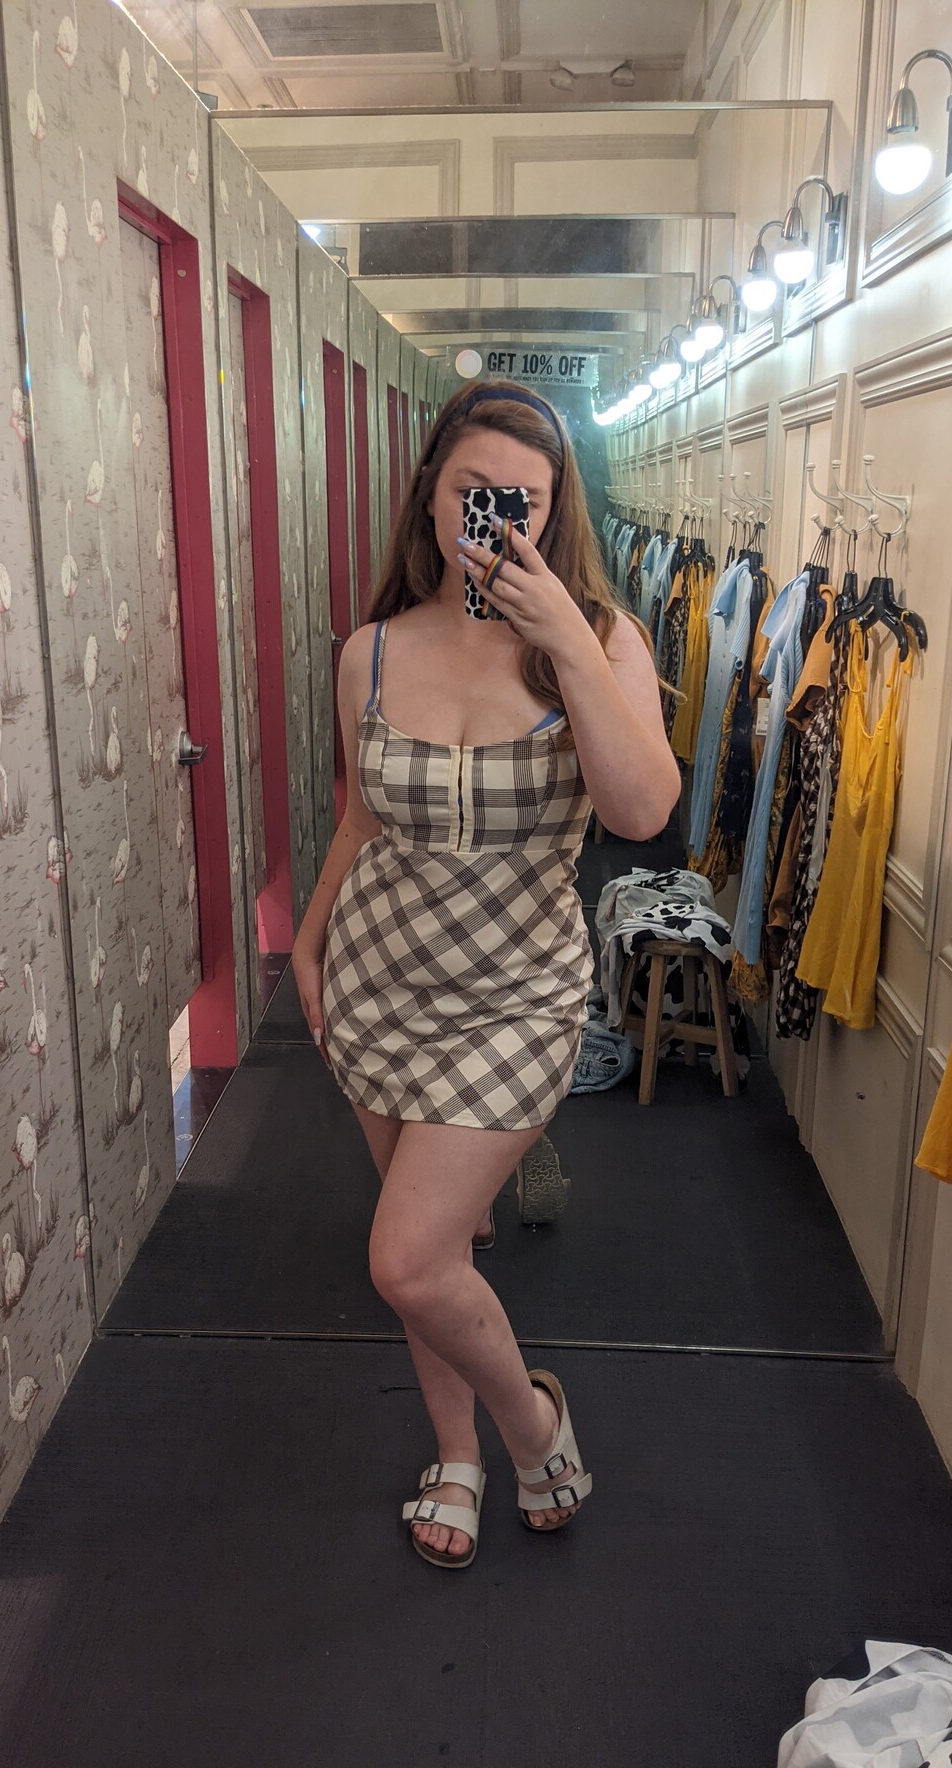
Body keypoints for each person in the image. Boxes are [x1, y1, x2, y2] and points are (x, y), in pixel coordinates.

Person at [291, 379, 680, 1567]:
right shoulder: (370, 653)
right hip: (378, 983)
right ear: (431, 496)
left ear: (557, 512)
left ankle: (530, 1426)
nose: (497, 517)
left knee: (405, 1255)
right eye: (474, 491)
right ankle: (454, 1455)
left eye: (526, 499)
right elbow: (363, 818)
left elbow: (643, 811)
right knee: (436, 1261)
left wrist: (564, 635)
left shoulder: (601, 641)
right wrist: (308, 939)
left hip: (517, 999)